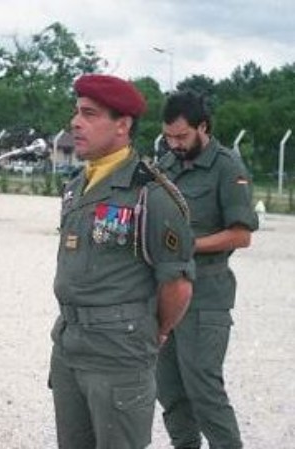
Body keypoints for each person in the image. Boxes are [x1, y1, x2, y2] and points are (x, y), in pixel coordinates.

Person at [49, 74, 196, 449]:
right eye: (76, 112)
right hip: (70, 346)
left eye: (89, 114)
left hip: (118, 354)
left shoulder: (152, 195)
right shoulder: (77, 185)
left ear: (122, 125)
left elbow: (177, 284)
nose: (75, 122)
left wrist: (155, 330)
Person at [156, 91, 259, 449]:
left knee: (203, 389)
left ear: (203, 127)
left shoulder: (227, 167)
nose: (175, 144)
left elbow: (242, 235)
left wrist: (188, 245)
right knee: (169, 389)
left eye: (182, 137)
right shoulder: (166, 164)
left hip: (206, 296)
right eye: (168, 137)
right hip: (165, 294)